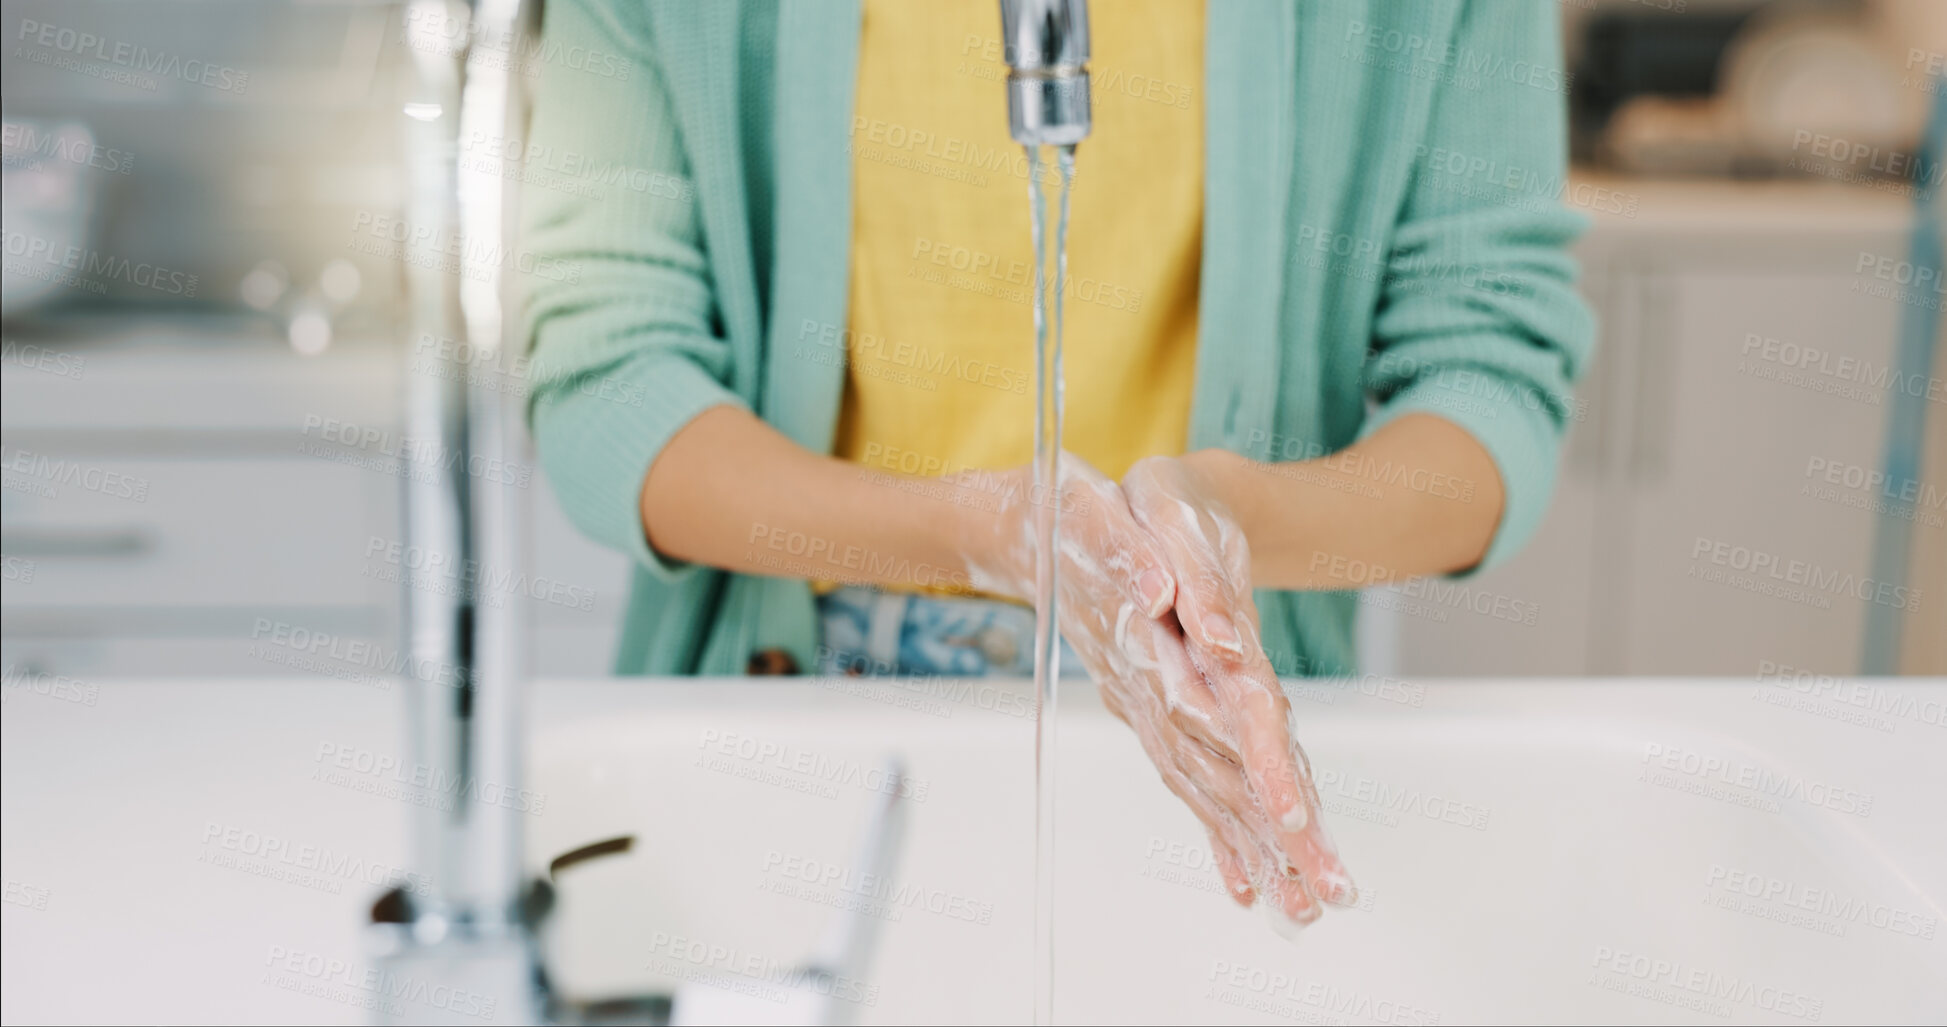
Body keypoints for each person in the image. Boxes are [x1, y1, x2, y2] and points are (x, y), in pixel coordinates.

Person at [519, 0, 1593, 928]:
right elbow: (609, 376)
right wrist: (991, 533)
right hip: (803, 696)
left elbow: (1488, 375)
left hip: (1217, 708)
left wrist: (1231, 518)